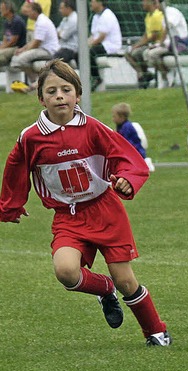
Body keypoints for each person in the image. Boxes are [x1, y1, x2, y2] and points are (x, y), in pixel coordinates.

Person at [0, 59, 171, 347]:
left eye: (66, 90)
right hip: (67, 217)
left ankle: (155, 331)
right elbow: (16, 168)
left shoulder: (94, 128)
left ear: (77, 95)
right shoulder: (31, 137)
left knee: (126, 281)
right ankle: (104, 289)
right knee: (66, 272)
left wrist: (128, 178)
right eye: (51, 91)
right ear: (41, 98)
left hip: (105, 210)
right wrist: (10, 205)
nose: (59, 96)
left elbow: (127, 158)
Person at [9, 0, 57, 91]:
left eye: (29, 11)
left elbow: (36, 43)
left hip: (48, 50)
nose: (27, 14)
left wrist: (23, 51)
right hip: (43, 49)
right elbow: (34, 42)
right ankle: (36, 82)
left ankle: (35, 81)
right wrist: (23, 49)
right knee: (19, 59)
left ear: (35, 11)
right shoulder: (39, 20)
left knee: (18, 61)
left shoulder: (41, 22)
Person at [149, 1, 188, 89]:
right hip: (170, 43)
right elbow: (166, 37)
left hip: (180, 43)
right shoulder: (164, 15)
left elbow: (168, 27)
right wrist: (157, 44)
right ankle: (166, 74)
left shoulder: (171, 12)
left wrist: (159, 44)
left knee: (152, 54)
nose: (155, 6)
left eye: (156, 3)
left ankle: (166, 76)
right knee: (147, 53)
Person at [124, 0, 164, 89]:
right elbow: (146, 35)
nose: (142, 3)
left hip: (157, 44)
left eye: (144, 1)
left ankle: (144, 76)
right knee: (127, 53)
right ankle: (143, 74)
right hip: (149, 44)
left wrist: (138, 46)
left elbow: (154, 36)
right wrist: (136, 45)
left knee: (136, 53)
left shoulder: (156, 15)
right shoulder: (148, 16)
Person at [88, 0, 122, 92]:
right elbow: (93, 36)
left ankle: (96, 78)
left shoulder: (107, 15)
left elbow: (102, 37)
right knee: (79, 53)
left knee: (89, 52)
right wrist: (86, 45)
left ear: (100, 3)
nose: (90, 3)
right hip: (100, 44)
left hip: (110, 46)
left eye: (93, 1)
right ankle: (88, 78)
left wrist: (89, 46)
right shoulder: (96, 16)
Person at [112, 102, 155, 172]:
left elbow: (124, 143)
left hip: (136, 154)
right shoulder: (121, 127)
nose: (113, 119)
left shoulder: (126, 127)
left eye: (114, 117)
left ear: (122, 117)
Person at [0, 0, 26, 71]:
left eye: (1, 9)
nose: (0, 10)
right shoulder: (7, 22)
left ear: (8, 9)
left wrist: (1, 49)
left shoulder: (16, 21)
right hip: (9, 47)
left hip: (17, 47)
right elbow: (5, 39)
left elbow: (13, 42)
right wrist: (1, 47)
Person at [52, 0, 77, 65]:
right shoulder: (65, 19)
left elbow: (63, 36)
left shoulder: (74, 19)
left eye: (61, 8)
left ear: (68, 8)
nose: (60, 10)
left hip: (71, 49)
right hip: (63, 47)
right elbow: (56, 33)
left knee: (54, 63)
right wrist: (60, 33)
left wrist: (60, 33)